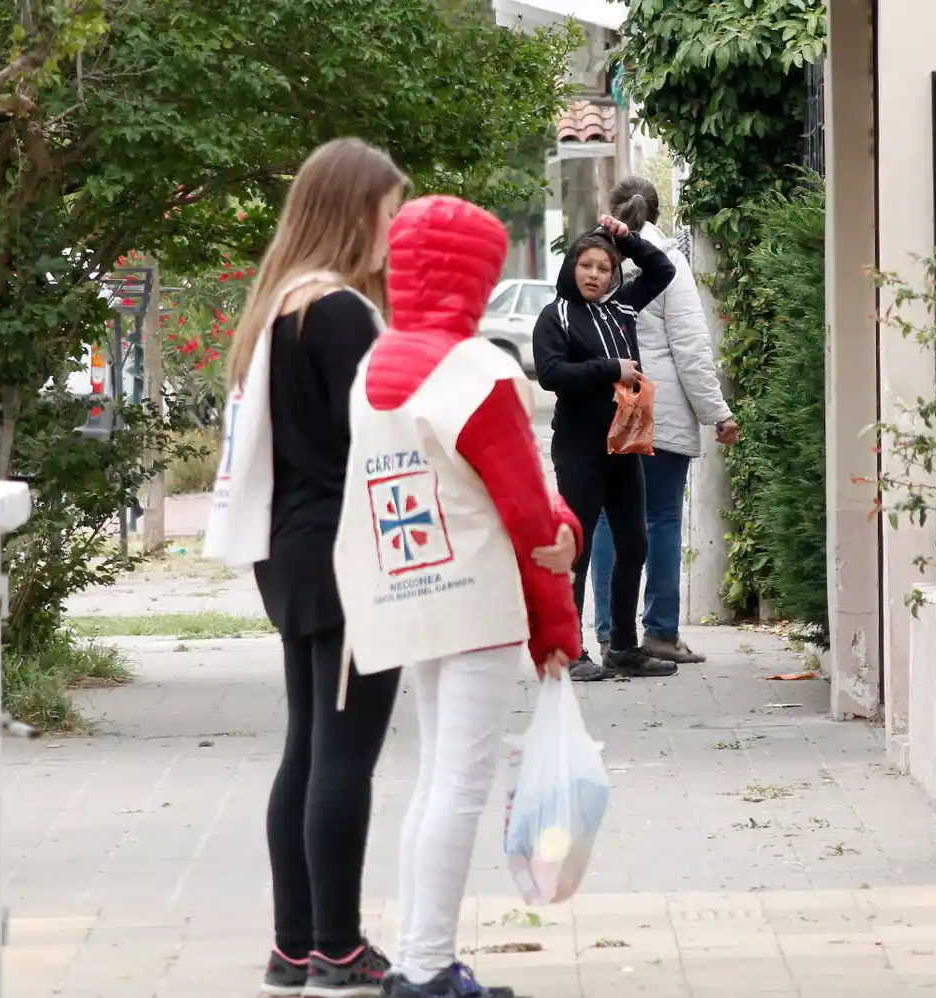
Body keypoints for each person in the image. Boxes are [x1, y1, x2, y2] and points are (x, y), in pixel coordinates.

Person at [330, 195, 582, 998]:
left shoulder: (374, 369)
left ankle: (416, 960)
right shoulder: (478, 372)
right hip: (476, 598)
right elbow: (528, 515)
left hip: (411, 595)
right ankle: (427, 969)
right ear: (475, 276)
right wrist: (556, 627)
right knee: (460, 786)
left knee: (434, 780)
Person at [212, 138, 407, 998]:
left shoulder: (281, 305)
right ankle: (337, 946)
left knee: (307, 746)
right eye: (389, 214)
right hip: (347, 553)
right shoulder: (338, 313)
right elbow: (377, 434)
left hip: (291, 549)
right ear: (353, 211)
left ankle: (294, 948)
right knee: (343, 756)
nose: (393, 233)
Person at [587, 178, 739, 665]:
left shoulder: (594, 260)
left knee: (607, 519)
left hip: (612, 403)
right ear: (656, 213)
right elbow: (691, 349)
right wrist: (718, 414)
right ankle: (660, 634)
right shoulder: (669, 263)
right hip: (661, 408)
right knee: (661, 519)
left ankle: (610, 634)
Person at [533, 214, 678, 681]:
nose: (595, 275)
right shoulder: (555, 315)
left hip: (625, 441)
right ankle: (570, 649)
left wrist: (626, 238)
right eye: (586, 266)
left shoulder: (622, 309)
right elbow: (552, 374)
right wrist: (610, 368)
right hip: (579, 447)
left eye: (604, 268)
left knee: (633, 543)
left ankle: (623, 647)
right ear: (571, 267)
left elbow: (662, 270)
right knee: (575, 547)